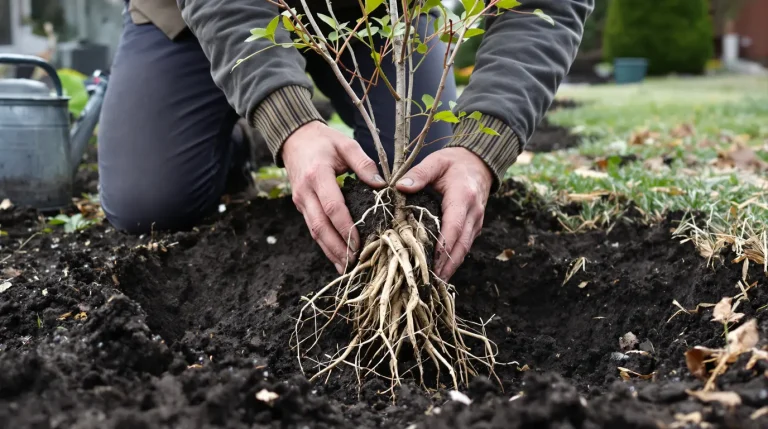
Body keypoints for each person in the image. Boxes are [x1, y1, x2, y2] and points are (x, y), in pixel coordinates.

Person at [98, 0, 592, 281]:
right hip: (208, 12)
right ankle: (235, 134)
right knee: (150, 203)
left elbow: (545, 6)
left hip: (379, 16)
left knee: (420, 175)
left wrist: (485, 143)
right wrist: (287, 122)